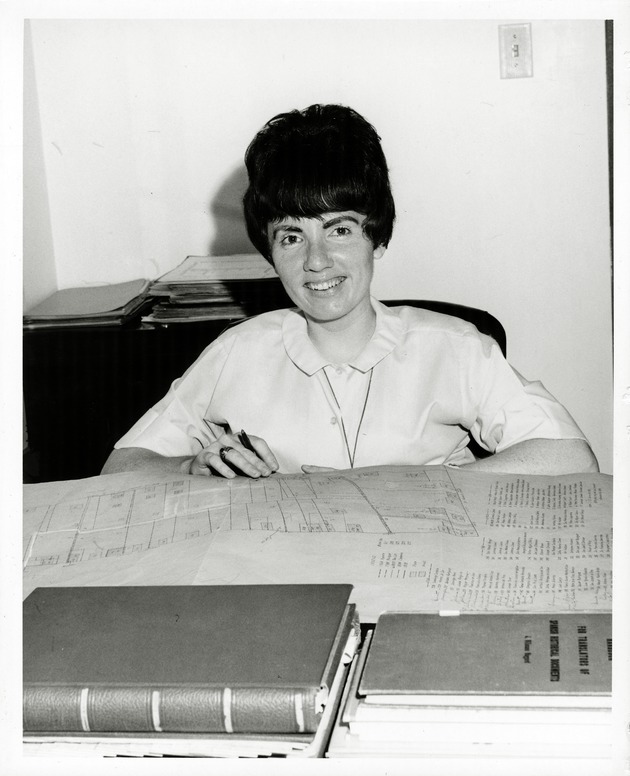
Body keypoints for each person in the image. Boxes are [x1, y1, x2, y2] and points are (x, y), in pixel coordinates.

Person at [102, 104, 598, 479]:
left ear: (376, 238)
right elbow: (122, 468)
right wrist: (192, 470)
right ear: (270, 252)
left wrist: (432, 488)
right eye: (291, 236)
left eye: (339, 230)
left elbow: (570, 456)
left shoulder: (456, 347)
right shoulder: (237, 351)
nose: (316, 261)